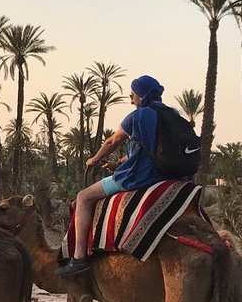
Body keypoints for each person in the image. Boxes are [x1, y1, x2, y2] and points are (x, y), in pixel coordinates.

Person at [56, 74, 175, 277]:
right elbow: (151, 150)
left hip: (140, 178)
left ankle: (78, 258)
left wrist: (94, 159)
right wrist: (118, 163)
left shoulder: (139, 115)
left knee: (83, 197)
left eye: (132, 94)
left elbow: (113, 141)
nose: (131, 99)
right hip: (171, 176)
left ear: (141, 95)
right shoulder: (173, 115)